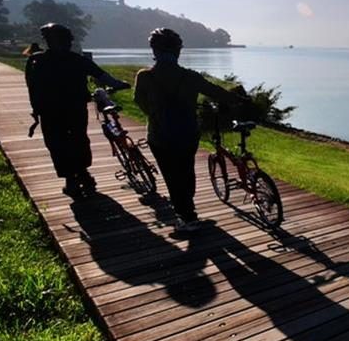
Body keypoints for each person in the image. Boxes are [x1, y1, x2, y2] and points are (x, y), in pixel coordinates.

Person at [133, 28, 245, 231]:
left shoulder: (145, 77)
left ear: (154, 50)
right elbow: (217, 92)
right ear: (178, 51)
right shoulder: (190, 77)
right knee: (186, 171)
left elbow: (139, 101)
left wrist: (156, 114)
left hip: (159, 135)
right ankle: (188, 211)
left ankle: (187, 216)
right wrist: (239, 99)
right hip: (187, 132)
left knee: (171, 175)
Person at [24, 23, 130, 199]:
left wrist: (36, 110)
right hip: (73, 108)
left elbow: (32, 88)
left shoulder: (37, 61)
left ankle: (73, 178)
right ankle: (80, 174)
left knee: (59, 143)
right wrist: (119, 84)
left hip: (51, 111)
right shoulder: (75, 60)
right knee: (77, 140)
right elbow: (103, 76)